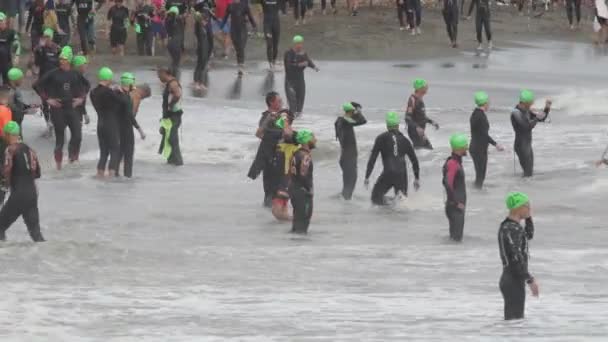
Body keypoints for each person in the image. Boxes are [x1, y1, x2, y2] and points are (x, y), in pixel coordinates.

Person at [32, 47, 86, 169]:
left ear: (70, 60)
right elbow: (36, 85)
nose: (62, 61)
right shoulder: (53, 73)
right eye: (61, 59)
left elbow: (86, 85)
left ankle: (73, 160)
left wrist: (81, 99)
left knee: (77, 136)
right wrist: (48, 99)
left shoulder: (75, 74)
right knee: (60, 140)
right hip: (58, 109)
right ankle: (58, 167)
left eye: (64, 59)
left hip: (71, 108)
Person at [0, 121, 45, 242]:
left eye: (4, 134)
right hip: (32, 194)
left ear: (9, 135)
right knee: (36, 235)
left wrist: (4, 188)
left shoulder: (10, 150)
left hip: (19, 195)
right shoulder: (30, 150)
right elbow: (37, 173)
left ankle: (5, 255)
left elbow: (6, 172)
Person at [365, 111, 420, 206]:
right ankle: (397, 216)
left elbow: (373, 158)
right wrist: (417, 178)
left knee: (375, 198)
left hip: (388, 174)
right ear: (398, 125)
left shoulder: (381, 138)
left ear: (387, 125)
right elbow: (414, 160)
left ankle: (387, 214)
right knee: (402, 203)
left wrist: (367, 176)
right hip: (402, 175)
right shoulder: (405, 140)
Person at [498, 192, 539, 320]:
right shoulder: (510, 228)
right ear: (518, 207)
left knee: (515, 323)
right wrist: (530, 280)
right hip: (512, 279)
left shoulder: (513, 227)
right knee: (514, 321)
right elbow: (516, 257)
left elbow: (529, 234)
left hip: (514, 278)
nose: (529, 208)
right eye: (527, 205)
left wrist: (528, 217)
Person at [248, 91, 286, 207]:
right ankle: (269, 216)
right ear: (271, 102)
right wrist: (277, 140)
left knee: (276, 189)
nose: (281, 103)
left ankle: (270, 215)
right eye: (279, 101)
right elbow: (260, 134)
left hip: (277, 158)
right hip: (269, 158)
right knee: (271, 190)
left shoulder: (280, 116)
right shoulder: (266, 117)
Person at [511, 90, 551, 177]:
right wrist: (537, 118)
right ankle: (520, 188)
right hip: (520, 146)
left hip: (527, 145)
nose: (532, 104)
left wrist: (547, 107)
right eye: (530, 103)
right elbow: (526, 127)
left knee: (529, 172)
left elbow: (542, 118)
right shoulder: (516, 113)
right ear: (525, 102)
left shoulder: (526, 111)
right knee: (528, 172)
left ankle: (526, 188)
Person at [90, 67, 121, 178]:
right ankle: (111, 179)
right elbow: (120, 102)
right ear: (109, 78)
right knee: (114, 150)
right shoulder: (109, 92)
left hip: (100, 124)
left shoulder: (93, 92)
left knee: (103, 153)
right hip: (110, 124)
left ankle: (99, 177)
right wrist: (118, 91)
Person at [469, 91, 503, 189]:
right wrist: (496, 144)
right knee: (481, 175)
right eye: (488, 102)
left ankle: (476, 193)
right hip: (479, 149)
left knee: (479, 175)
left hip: (476, 147)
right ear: (485, 103)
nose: (489, 104)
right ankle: (477, 194)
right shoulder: (481, 116)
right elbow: (484, 135)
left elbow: (480, 134)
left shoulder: (475, 113)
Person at [116, 73, 146, 178]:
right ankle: (127, 178)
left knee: (119, 154)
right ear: (129, 83)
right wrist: (139, 129)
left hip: (117, 128)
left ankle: (115, 175)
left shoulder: (116, 94)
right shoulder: (126, 97)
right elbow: (130, 116)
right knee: (128, 155)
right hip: (126, 129)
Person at [335, 101, 366, 200]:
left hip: (345, 157)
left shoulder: (339, 121)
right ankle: (346, 210)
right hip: (349, 158)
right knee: (350, 187)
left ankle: (344, 207)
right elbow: (362, 120)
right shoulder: (346, 120)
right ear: (351, 112)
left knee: (347, 187)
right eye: (353, 111)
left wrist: (354, 109)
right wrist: (358, 110)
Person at [271, 114, 298, 221]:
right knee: (280, 209)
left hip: (287, 177)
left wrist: (284, 120)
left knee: (277, 211)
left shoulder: (294, 137)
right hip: (278, 177)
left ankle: (299, 221)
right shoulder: (279, 136)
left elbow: (288, 133)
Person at [284, 35, 318, 117]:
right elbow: (288, 66)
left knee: (300, 105)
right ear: (294, 44)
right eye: (298, 44)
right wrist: (300, 64)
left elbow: (308, 61)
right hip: (290, 81)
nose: (299, 45)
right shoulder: (288, 53)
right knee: (292, 103)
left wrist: (314, 67)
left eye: (301, 43)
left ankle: (299, 123)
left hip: (300, 81)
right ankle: (290, 119)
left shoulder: (303, 53)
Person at [33, 29, 59, 135]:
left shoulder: (56, 48)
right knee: (45, 101)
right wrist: (38, 50)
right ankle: (48, 122)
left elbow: (60, 63)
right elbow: (37, 63)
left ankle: (54, 122)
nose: (46, 39)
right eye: (45, 37)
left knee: (54, 101)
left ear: (51, 37)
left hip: (54, 80)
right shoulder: (41, 49)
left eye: (48, 37)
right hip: (44, 79)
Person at [442, 133, 468, 242]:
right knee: (456, 240)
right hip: (455, 208)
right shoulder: (453, 163)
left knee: (454, 241)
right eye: (466, 145)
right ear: (461, 148)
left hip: (455, 207)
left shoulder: (455, 162)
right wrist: (456, 202)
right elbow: (447, 183)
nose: (467, 147)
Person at [289, 129, 315, 234]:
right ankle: (301, 248)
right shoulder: (305, 156)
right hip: (302, 193)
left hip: (294, 189)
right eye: (313, 137)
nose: (315, 140)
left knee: (296, 224)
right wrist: (309, 191)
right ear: (306, 141)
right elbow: (303, 174)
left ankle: (290, 246)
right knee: (303, 225)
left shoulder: (296, 153)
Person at [158, 67, 184, 166]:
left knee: (172, 138)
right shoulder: (169, 83)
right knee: (167, 137)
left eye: (159, 75)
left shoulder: (173, 83)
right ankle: (171, 161)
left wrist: (170, 105)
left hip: (174, 115)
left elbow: (177, 95)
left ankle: (178, 162)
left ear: (165, 73)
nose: (158, 77)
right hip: (169, 115)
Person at [222, 0, 256, 73]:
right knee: (238, 48)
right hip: (233, 30)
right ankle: (239, 64)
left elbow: (250, 16)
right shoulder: (230, 6)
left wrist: (254, 25)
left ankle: (241, 64)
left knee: (241, 47)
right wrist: (221, 26)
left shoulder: (244, 5)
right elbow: (225, 16)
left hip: (242, 30)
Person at [405, 78, 439, 149]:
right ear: (420, 88)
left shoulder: (420, 99)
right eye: (425, 86)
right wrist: (417, 127)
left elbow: (421, 116)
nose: (427, 87)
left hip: (420, 132)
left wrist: (432, 122)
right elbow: (407, 118)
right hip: (414, 132)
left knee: (428, 149)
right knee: (422, 150)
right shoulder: (412, 100)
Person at [7, 67, 37, 132]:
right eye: (20, 79)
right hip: (14, 122)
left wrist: (27, 106)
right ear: (14, 80)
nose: (22, 80)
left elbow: (18, 103)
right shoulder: (11, 92)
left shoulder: (16, 89)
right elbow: (11, 105)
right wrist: (21, 111)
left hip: (18, 119)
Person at [0, 12, 21, 85]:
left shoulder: (11, 32)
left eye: (1, 21)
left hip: (6, 60)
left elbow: (17, 43)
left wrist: (17, 56)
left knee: (8, 83)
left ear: (5, 21)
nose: (0, 23)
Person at [165, 6, 185, 80]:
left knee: (172, 61)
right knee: (176, 63)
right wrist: (182, 47)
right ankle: (175, 79)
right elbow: (182, 35)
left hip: (170, 44)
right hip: (177, 43)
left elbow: (168, 32)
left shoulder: (168, 21)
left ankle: (168, 77)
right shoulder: (180, 21)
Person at [194, 12, 211, 91]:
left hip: (205, 48)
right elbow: (197, 18)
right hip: (201, 48)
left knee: (203, 66)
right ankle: (197, 83)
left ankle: (201, 83)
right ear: (202, 20)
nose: (206, 22)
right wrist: (199, 18)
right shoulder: (199, 27)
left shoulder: (203, 28)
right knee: (200, 66)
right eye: (205, 21)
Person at [261, 0, 281, 70]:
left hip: (276, 24)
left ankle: (274, 61)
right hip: (267, 25)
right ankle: (270, 64)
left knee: (275, 45)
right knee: (269, 44)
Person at [72, 55, 91, 126]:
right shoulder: (76, 79)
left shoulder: (82, 79)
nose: (86, 67)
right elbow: (80, 98)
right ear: (79, 66)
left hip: (77, 111)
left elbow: (82, 99)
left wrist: (84, 113)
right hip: (73, 111)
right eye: (84, 64)